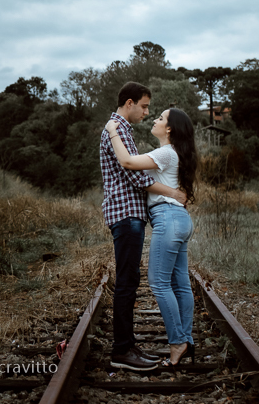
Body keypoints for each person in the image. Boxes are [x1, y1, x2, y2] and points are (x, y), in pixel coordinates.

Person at [100, 82, 187, 372]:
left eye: (152, 109)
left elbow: (136, 169)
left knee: (131, 281)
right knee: (127, 282)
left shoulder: (122, 129)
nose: (147, 112)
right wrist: (172, 192)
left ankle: (127, 345)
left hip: (131, 214)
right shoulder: (117, 128)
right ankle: (122, 350)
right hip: (126, 214)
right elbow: (134, 174)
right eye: (145, 106)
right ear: (129, 103)